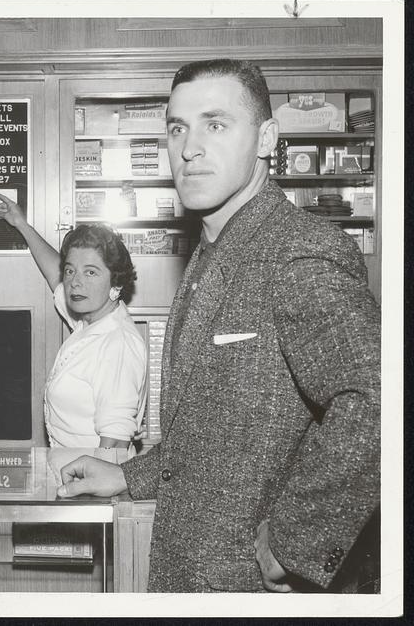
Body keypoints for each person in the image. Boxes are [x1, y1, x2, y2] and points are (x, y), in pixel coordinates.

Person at [56, 59, 381, 593]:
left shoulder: (297, 252)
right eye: (177, 127)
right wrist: (127, 475)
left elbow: (379, 394)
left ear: (266, 139)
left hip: (244, 587)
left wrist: (295, 539)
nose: (189, 148)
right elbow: (212, 437)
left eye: (216, 124)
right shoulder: (214, 251)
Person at [0, 194, 147, 449]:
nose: (75, 282)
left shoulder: (117, 345)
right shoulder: (90, 322)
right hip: (71, 473)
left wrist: (84, 488)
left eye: (91, 272)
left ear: (116, 283)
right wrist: (22, 224)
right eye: (71, 270)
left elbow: (115, 444)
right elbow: (55, 272)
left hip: (90, 480)